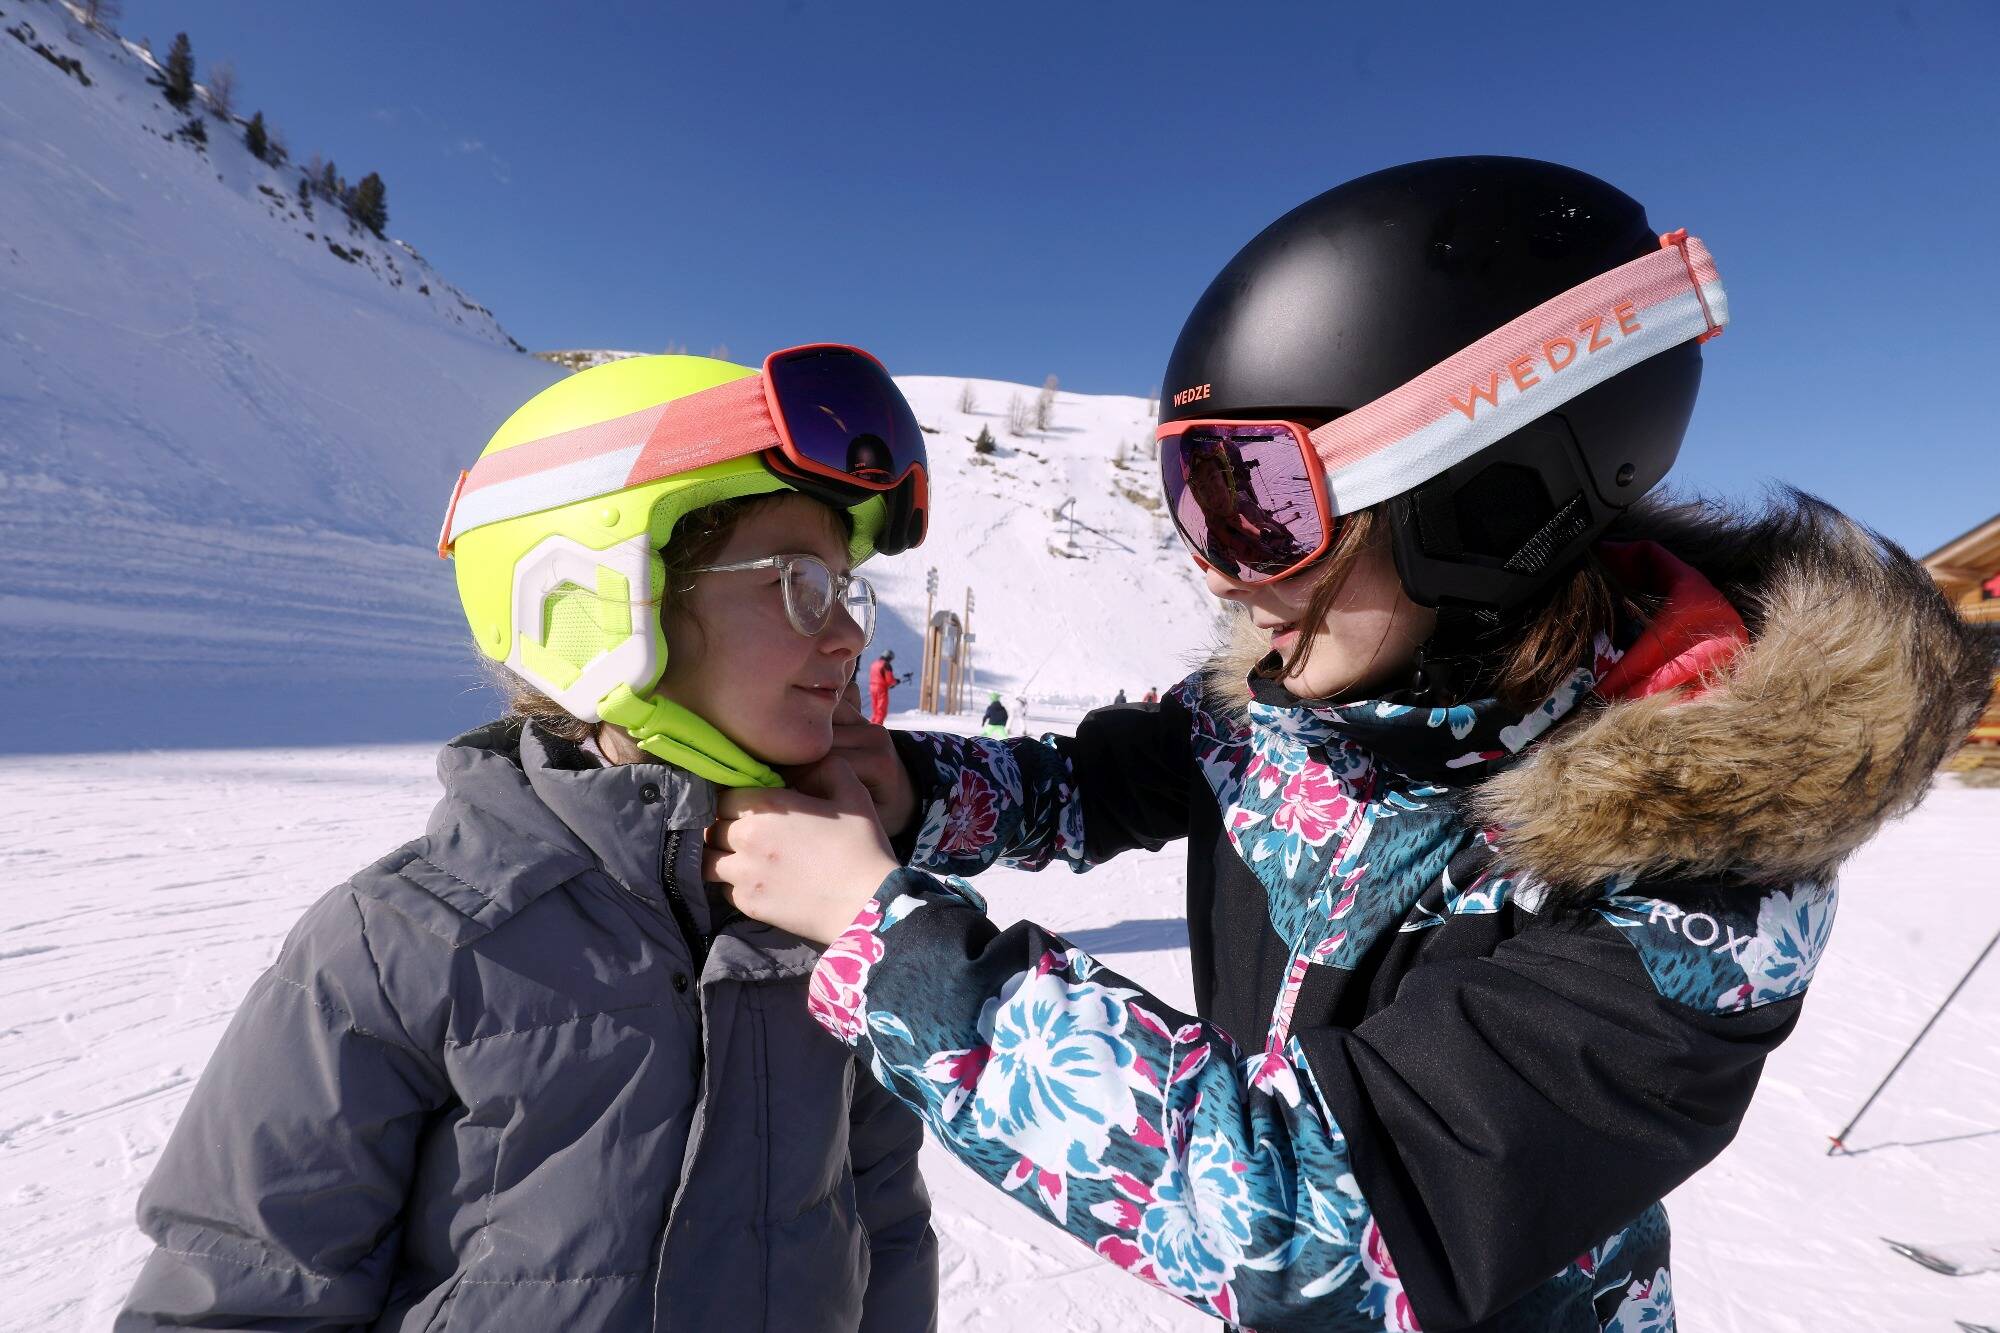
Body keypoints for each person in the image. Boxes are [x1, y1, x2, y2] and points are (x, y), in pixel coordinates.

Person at [703, 160, 1997, 1332]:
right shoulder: (1295, 701)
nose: (1221, 573)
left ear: (1478, 493)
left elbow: (1322, 1216)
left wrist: (891, 940)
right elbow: (1096, 782)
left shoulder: (1703, 874)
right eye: (1195, 499)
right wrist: (910, 787)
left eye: (1259, 503)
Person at [119, 350, 940, 1332]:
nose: (848, 635)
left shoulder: (831, 915)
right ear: (603, 597)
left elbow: (883, 1223)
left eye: (846, 589)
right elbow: (242, 1295)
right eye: (798, 582)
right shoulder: (403, 942)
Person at [869, 648, 900, 724]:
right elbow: (890, 680)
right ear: (889, 658)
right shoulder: (886, 665)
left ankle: (871, 726)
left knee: (875, 710)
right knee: (881, 711)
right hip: (881, 689)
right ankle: (877, 728)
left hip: (872, 687)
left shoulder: (874, 664)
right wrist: (896, 681)